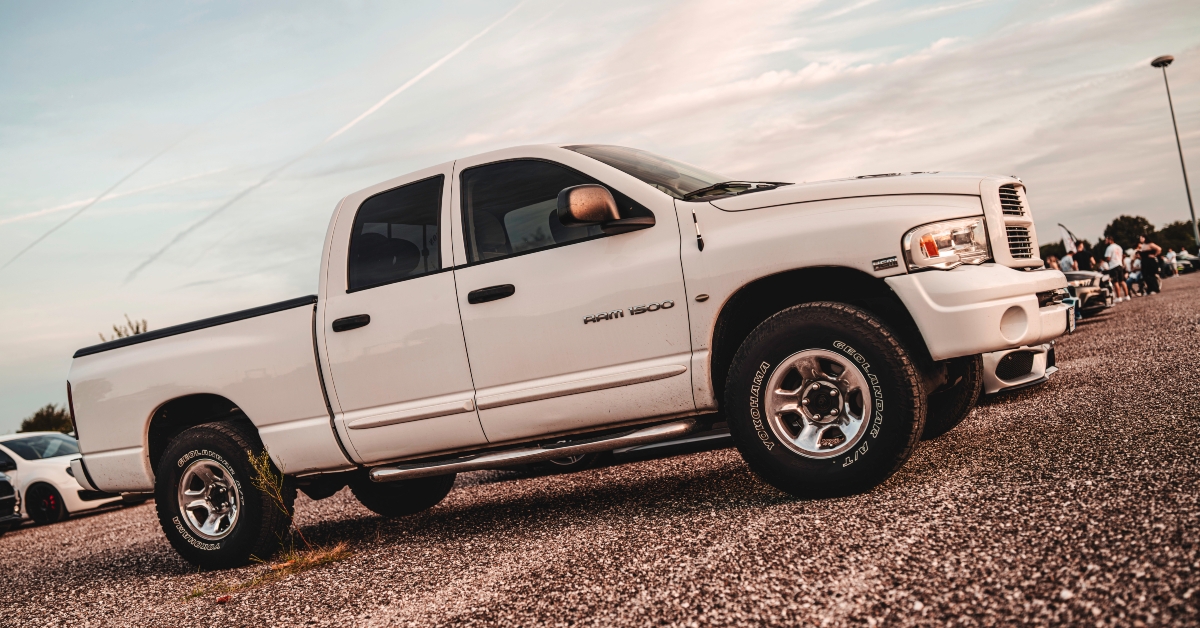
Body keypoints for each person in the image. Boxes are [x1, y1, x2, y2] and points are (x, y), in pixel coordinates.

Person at [1104, 236, 1128, 302]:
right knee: (1122, 281)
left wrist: (1106, 261)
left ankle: (1118, 297)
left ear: (1110, 240)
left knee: (1115, 282)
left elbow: (1108, 258)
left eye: (1106, 240)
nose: (1105, 241)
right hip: (1119, 264)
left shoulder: (1109, 248)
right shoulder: (1119, 247)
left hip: (1113, 266)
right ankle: (1127, 295)